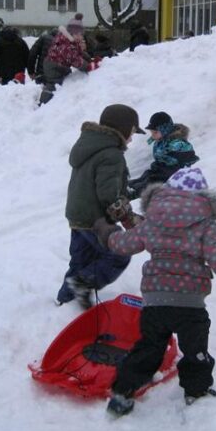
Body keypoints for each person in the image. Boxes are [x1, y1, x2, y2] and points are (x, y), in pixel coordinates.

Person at [92, 167, 216, 416]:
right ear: (202, 198)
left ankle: (122, 393)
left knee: (148, 348)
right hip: (190, 304)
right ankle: (196, 391)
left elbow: (125, 244)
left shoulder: (153, 219)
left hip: (155, 302)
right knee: (195, 351)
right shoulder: (205, 224)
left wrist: (107, 233)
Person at [55, 104, 147, 309]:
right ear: (122, 129)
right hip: (96, 219)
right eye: (131, 132)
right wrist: (130, 220)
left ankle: (65, 301)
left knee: (81, 259)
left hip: (77, 216)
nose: (131, 138)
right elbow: (109, 196)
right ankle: (82, 284)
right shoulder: (111, 155)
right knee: (119, 255)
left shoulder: (89, 146)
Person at [127, 111, 199, 199]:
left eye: (155, 132)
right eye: (151, 132)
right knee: (144, 178)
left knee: (148, 185)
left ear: (165, 130)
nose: (152, 135)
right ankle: (127, 187)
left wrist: (181, 172)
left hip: (170, 173)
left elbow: (188, 155)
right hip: (158, 169)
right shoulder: (160, 140)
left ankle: (130, 194)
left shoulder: (176, 144)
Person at [40, 13, 94, 104]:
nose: (81, 37)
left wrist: (90, 59)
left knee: (64, 79)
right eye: (79, 35)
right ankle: (43, 103)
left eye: (81, 35)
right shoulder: (66, 46)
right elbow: (76, 61)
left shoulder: (72, 42)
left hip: (59, 65)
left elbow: (80, 53)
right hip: (53, 66)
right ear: (73, 34)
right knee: (53, 84)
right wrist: (89, 66)